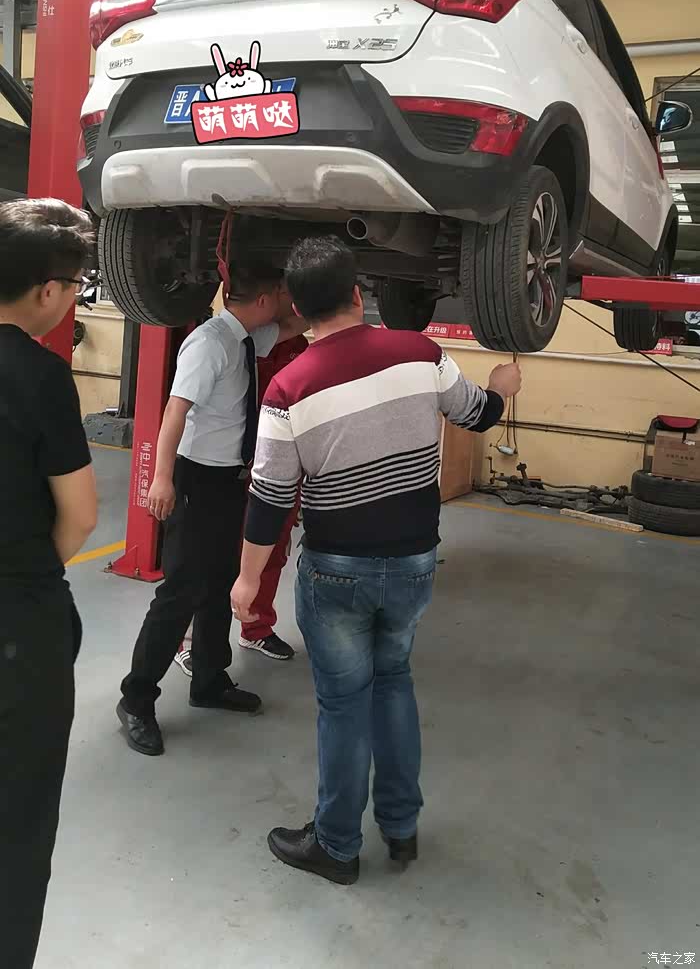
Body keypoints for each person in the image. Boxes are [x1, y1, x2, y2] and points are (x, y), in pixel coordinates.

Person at [232, 236, 521, 885]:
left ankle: (337, 846)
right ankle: (400, 825)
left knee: (343, 705)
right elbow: (478, 413)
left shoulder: (288, 386)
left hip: (336, 570)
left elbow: (270, 497)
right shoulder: (421, 354)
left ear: (298, 310)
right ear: (358, 294)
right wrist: (503, 388)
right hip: (413, 563)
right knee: (394, 683)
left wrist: (249, 579)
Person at [117, 263, 304, 756]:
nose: (284, 302)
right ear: (263, 299)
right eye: (281, 293)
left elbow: (295, 324)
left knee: (220, 581)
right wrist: (161, 478)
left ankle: (209, 679)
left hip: (227, 480)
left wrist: (328, 291)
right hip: (194, 479)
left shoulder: (247, 337)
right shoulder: (210, 343)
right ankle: (136, 699)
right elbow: (174, 410)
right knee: (180, 591)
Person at [0, 198, 97, 968]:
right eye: (72, 288)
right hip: (18, 628)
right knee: (17, 828)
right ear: (45, 290)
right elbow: (80, 515)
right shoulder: (40, 374)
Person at [174, 331, 307, 674]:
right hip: (229, 466)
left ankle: (256, 628)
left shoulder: (301, 347)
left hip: (280, 464)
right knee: (210, 558)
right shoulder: (245, 341)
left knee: (272, 551)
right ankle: (186, 640)